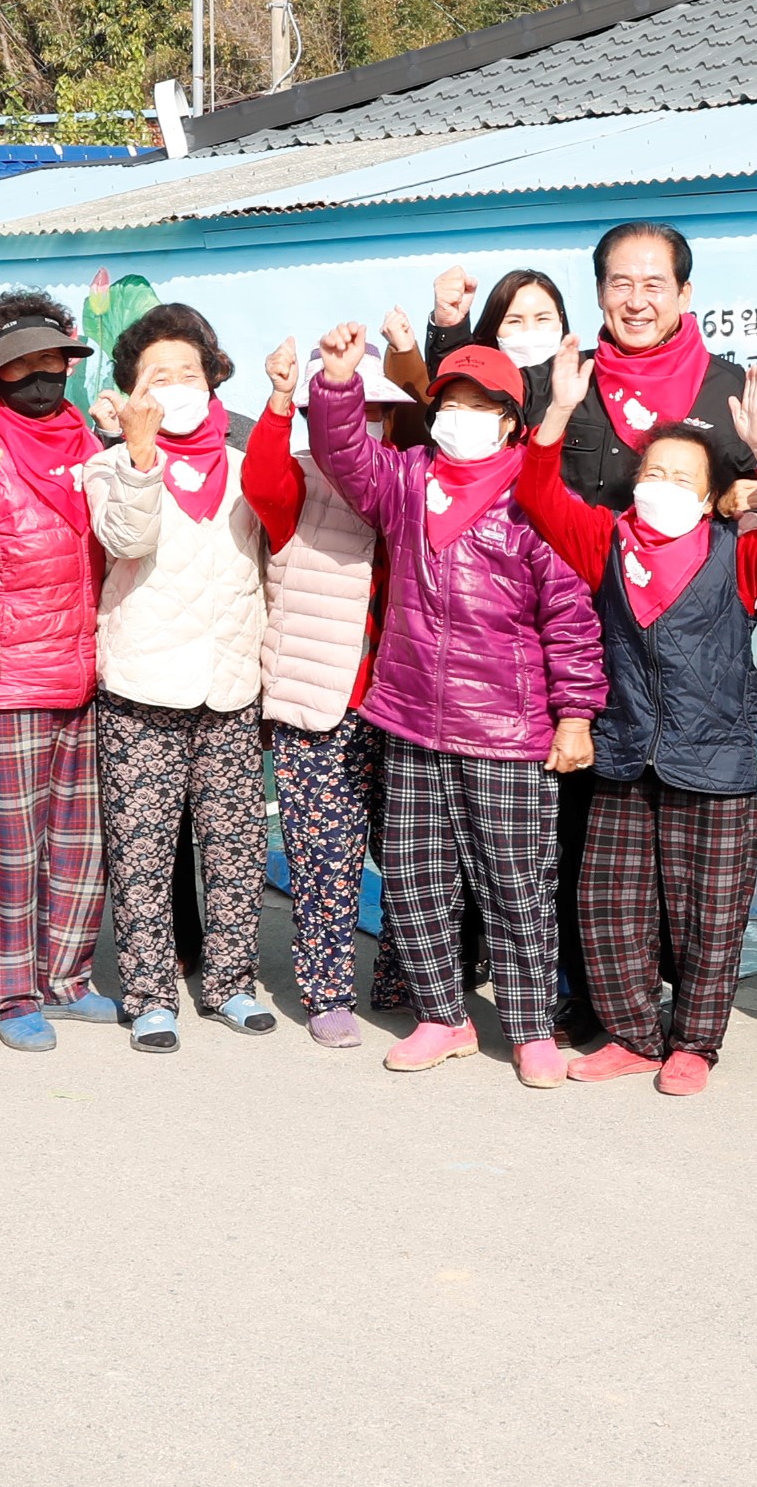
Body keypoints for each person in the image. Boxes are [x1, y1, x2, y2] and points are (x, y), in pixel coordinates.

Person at [307, 332, 605, 1088]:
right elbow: (345, 459)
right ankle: (443, 1016)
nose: (463, 416)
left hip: (507, 729)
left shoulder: (534, 499)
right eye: (453, 403)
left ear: (511, 420)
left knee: (515, 881)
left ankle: (531, 1026)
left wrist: (575, 715)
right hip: (410, 717)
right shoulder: (406, 480)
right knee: (414, 877)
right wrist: (338, 385)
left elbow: (570, 618)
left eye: (482, 405)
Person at [516, 343, 757, 1093]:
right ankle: (634, 1034)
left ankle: (694, 1045)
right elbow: (541, 497)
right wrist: (555, 413)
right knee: (609, 904)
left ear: (714, 496)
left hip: (711, 761)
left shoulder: (734, 554)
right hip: (624, 753)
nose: (663, 486)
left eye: (683, 477)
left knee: (709, 913)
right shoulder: (605, 543)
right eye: (654, 473)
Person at [84, 302, 276, 1053]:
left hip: (228, 687)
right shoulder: (108, 465)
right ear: (132, 391)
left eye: (187, 372)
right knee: (142, 849)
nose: (174, 385)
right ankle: (150, 991)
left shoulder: (243, 463)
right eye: (156, 376)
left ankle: (231, 982)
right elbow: (127, 538)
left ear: (213, 376)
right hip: (142, 690)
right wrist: (137, 456)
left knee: (234, 848)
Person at [0, 293, 113, 1052]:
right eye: (24, 368)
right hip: (3, 676)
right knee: (8, 848)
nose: (42, 380)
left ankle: (67, 978)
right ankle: (10, 992)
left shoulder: (92, 444)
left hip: (84, 670)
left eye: (53, 364)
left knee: (79, 842)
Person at [246, 331, 425, 1049]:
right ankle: (328, 992)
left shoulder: (411, 487)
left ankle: (404, 980)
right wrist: (282, 401)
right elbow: (260, 481)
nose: (364, 425)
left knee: (413, 857)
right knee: (324, 861)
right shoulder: (298, 480)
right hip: (320, 706)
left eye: (380, 414)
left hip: (405, 708)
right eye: (354, 410)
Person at [427, 264, 573, 426]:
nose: (530, 331)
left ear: (560, 320)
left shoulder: (584, 381)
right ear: (495, 327)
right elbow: (457, 372)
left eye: (543, 319)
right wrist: (449, 325)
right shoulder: (482, 383)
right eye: (514, 321)